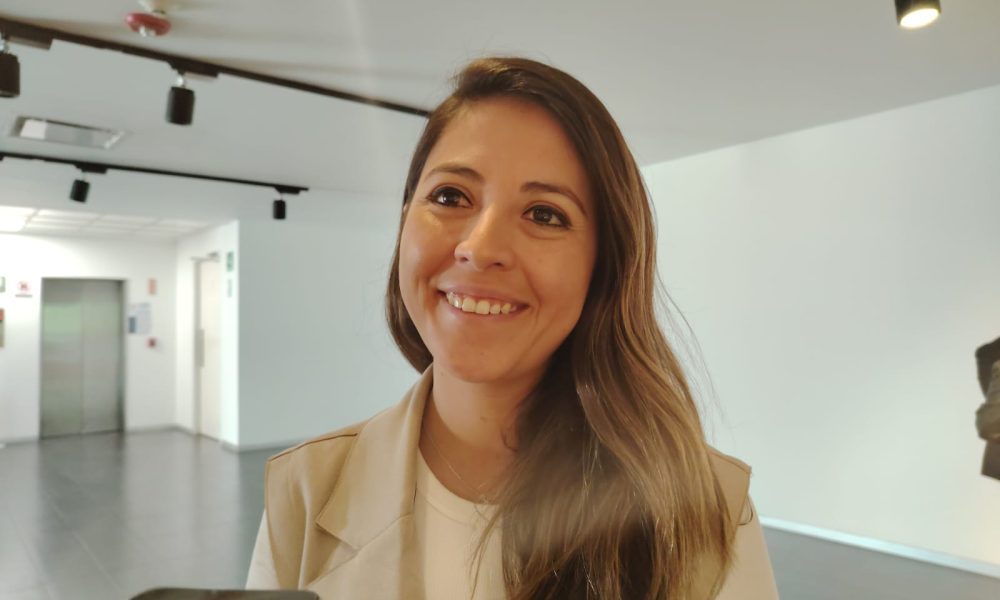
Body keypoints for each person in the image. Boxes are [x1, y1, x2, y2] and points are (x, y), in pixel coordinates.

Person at [246, 57, 779, 600]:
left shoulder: (707, 510)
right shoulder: (305, 491)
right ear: (405, 219)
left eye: (544, 214)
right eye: (450, 196)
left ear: (603, 264)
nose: (480, 249)